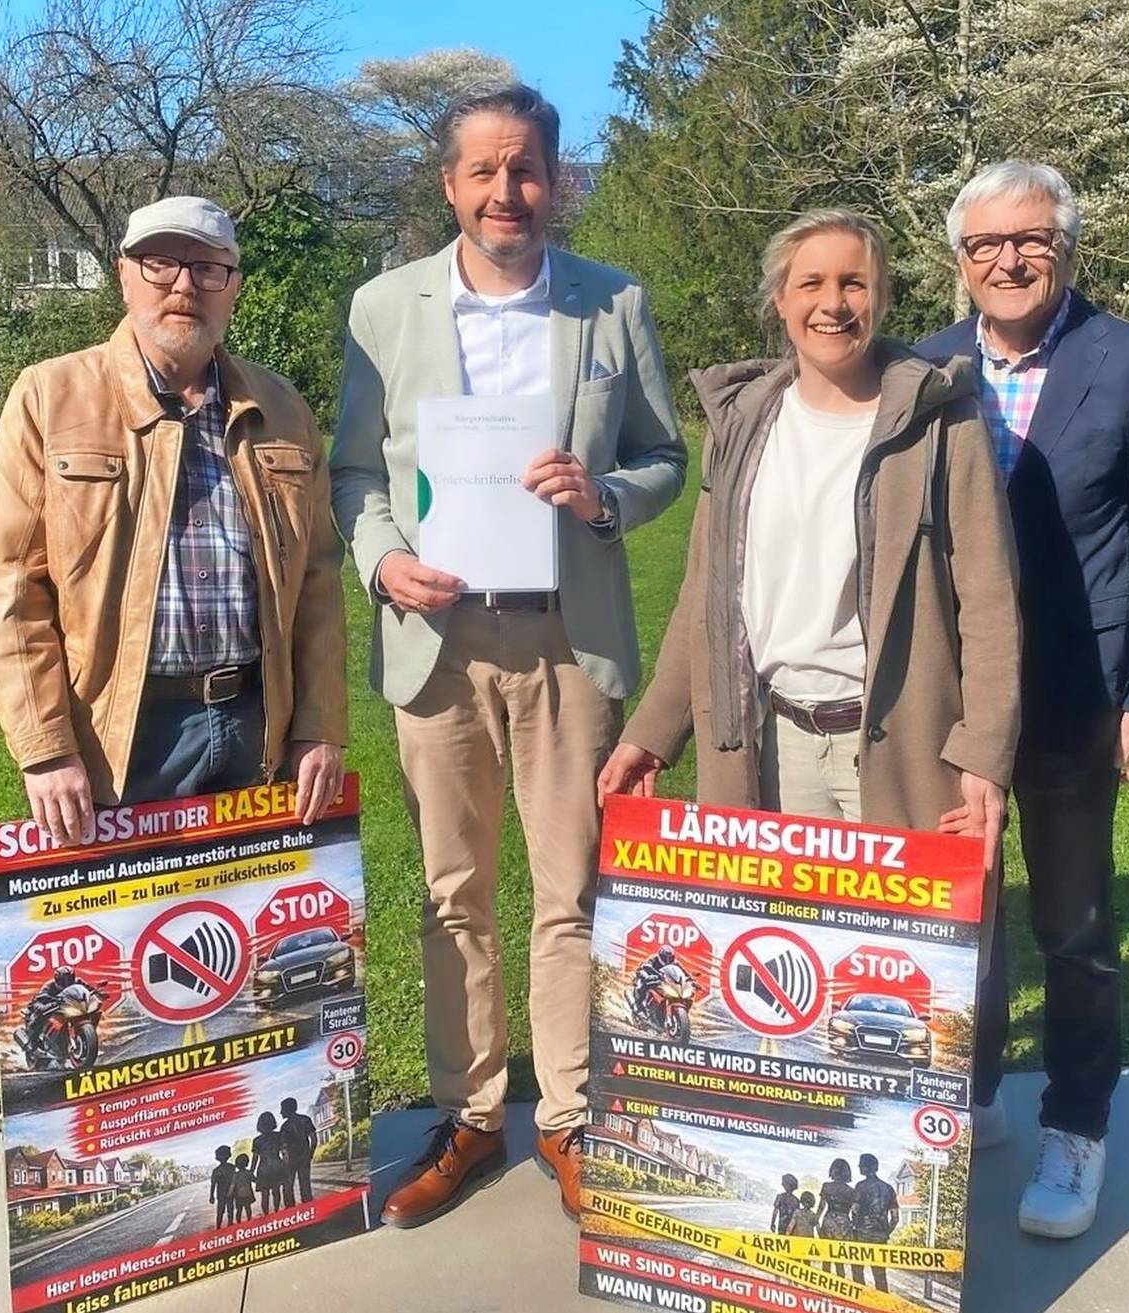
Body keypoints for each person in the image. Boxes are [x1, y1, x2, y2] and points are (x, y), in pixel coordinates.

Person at [331, 83, 688, 1229]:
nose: (506, 192)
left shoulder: (612, 301)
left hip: (566, 640)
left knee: (570, 888)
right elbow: (355, 473)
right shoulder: (385, 307)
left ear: (555, 177)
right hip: (436, 638)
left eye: (526, 168)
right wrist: (383, 559)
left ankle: (570, 1117)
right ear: (449, 185)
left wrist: (604, 498)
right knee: (453, 893)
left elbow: (665, 457)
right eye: (483, 171)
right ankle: (474, 1114)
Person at [915, 161, 1129, 1241]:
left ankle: (1076, 1124)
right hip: (953, 704)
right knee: (960, 917)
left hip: (1082, 695)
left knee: (1073, 926)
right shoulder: (926, 366)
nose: (1008, 260)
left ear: (1068, 246)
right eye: (986, 245)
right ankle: (970, 1085)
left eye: (1029, 239)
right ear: (960, 259)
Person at [600, 208, 1020, 866]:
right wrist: (652, 732)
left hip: (899, 747)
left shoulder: (942, 423)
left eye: (854, 283)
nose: (833, 304)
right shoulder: (739, 423)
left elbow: (991, 604)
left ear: (881, 297)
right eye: (811, 284)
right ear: (780, 300)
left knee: (901, 961)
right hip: (770, 744)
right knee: (774, 954)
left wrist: (984, 755)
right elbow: (702, 597)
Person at [0, 195, 348, 846]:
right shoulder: (49, 397)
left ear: (233, 288)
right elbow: (9, 582)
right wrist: (46, 745)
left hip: (257, 724)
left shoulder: (282, 407)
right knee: (121, 939)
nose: (184, 285)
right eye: (161, 264)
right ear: (124, 276)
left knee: (251, 934)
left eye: (208, 270)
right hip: (121, 732)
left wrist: (317, 723)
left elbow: (316, 579)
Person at [18, 966, 104, 1063]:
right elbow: (39, 999)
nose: (67, 983)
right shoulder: (48, 986)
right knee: (38, 1016)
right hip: (49, 1006)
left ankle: (83, 1037)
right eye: (64, 981)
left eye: (69, 980)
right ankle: (33, 1045)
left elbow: (89, 991)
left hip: (70, 1006)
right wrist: (46, 1004)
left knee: (94, 1012)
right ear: (57, 979)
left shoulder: (78, 982)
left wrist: (98, 993)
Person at [851, 1153, 897, 1293]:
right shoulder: (888, 1188)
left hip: (861, 1235)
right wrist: (885, 1233)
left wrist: (856, 1226)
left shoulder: (860, 1186)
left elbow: (854, 1210)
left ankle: (862, 1303)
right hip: (880, 1237)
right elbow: (895, 1218)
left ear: (866, 1167)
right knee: (880, 1274)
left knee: (858, 1271)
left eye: (861, 1164)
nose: (858, 1166)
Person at [817, 1157, 861, 1283]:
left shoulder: (826, 1186)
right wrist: (853, 1227)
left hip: (829, 1221)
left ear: (833, 1171)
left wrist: (816, 1220)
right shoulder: (852, 1191)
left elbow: (821, 1207)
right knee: (839, 1260)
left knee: (826, 1258)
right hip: (844, 1224)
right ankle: (840, 1285)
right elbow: (855, 1212)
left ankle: (825, 1285)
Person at [627, 945, 679, 1030]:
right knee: (643, 984)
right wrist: (649, 975)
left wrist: (690, 978)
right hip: (648, 975)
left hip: (662, 981)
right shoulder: (653, 958)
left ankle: (661, 1014)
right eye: (665, 957)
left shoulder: (675, 963)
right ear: (660, 955)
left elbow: (682, 971)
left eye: (670, 957)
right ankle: (638, 1006)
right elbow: (645, 966)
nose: (667, 960)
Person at [279, 1096, 317, 1204]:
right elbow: (314, 1139)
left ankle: (291, 1210)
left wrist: (285, 1162)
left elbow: (284, 1149)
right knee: (305, 1185)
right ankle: (308, 1207)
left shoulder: (284, 1127)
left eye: (282, 1109)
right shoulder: (305, 1120)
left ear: (287, 1110)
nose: (281, 1112)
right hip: (305, 1156)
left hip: (291, 1160)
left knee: (288, 1186)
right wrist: (310, 1154)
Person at [251, 1112, 288, 1213]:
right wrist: (286, 1166)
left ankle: (266, 1215)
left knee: (265, 1195)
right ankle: (276, 1210)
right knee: (276, 1192)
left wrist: (251, 1172)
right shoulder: (278, 1136)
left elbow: (255, 1158)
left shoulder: (257, 1140)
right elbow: (284, 1152)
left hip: (263, 1169)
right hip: (277, 1166)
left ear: (260, 1124)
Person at [208, 1145, 236, 1228]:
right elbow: (234, 1181)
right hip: (230, 1193)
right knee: (230, 1209)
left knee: (220, 1211)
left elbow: (213, 1184)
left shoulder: (216, 1171)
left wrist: (211, 1196)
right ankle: (230, 1224)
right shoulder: (232, 1167)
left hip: (221, 1194)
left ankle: (218, 1227)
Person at [231, 1152, 255, 1219]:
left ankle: (239, 1223)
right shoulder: (248, 1173)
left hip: (238, 1195)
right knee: (248, 1208)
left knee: (239, 1210)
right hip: (248, 1194)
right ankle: (249, 1220)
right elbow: (256, 1180)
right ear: (247, 1163)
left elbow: (232, 1185)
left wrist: (229, 1194)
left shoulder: (235, 1175)